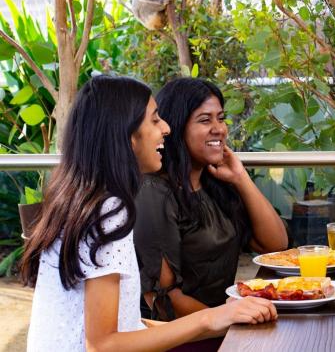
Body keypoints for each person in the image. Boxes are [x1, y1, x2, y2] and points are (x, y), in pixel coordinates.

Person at [21, 75, 277, 352]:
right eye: (155, 120)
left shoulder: (81, 199)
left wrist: (222, 320)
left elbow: (126, 326)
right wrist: (212, 318)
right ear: (128, 136)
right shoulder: (109, 212)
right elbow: (102, 345)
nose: (166, 128)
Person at [135, 77, 288, 320]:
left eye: (221, 118)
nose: (219, 128)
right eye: (205, 120)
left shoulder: (217, 185)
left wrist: (241, 178)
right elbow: (164, 300)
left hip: (223, 319)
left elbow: (275, 245)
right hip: (184, 335)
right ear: (175, 126)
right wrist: (229, 321)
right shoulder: (154, 192)